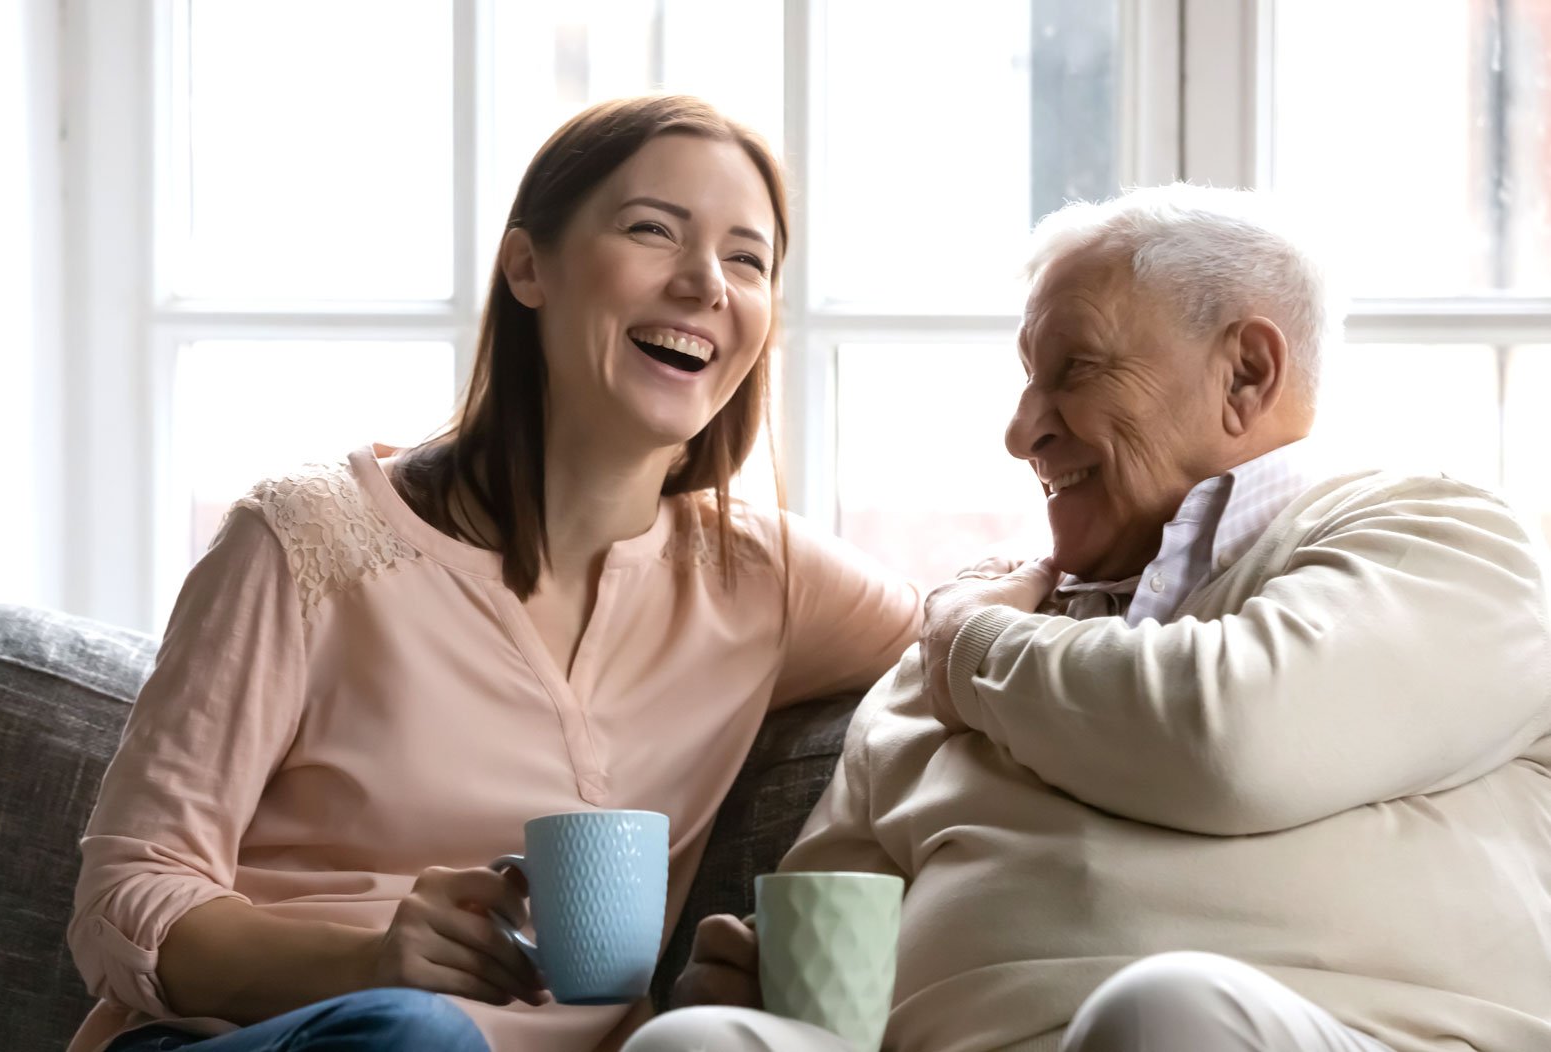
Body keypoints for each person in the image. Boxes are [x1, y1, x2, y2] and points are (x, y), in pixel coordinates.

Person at [67, 94, 921, 1052]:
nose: (705, 284)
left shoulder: (765, 579)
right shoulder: (306, 539)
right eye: (654, 231)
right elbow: (125, 895)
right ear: (529, 267)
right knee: (412, 1037)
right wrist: (367, 965)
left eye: (747, 259)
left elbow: (972, 641)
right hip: (264, 1035)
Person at [631, 184, 1551, 1052]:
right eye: (1029, 379)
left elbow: (1230, 741)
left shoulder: (1440, 540)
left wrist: (973, 646)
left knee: (1165, 1011)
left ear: (1247, 372)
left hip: (1313, 1033)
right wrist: (755, 982)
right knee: (698, 1040)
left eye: (1074, 370)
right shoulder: (956, 651)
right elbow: (828, 924)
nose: (1021, 429)